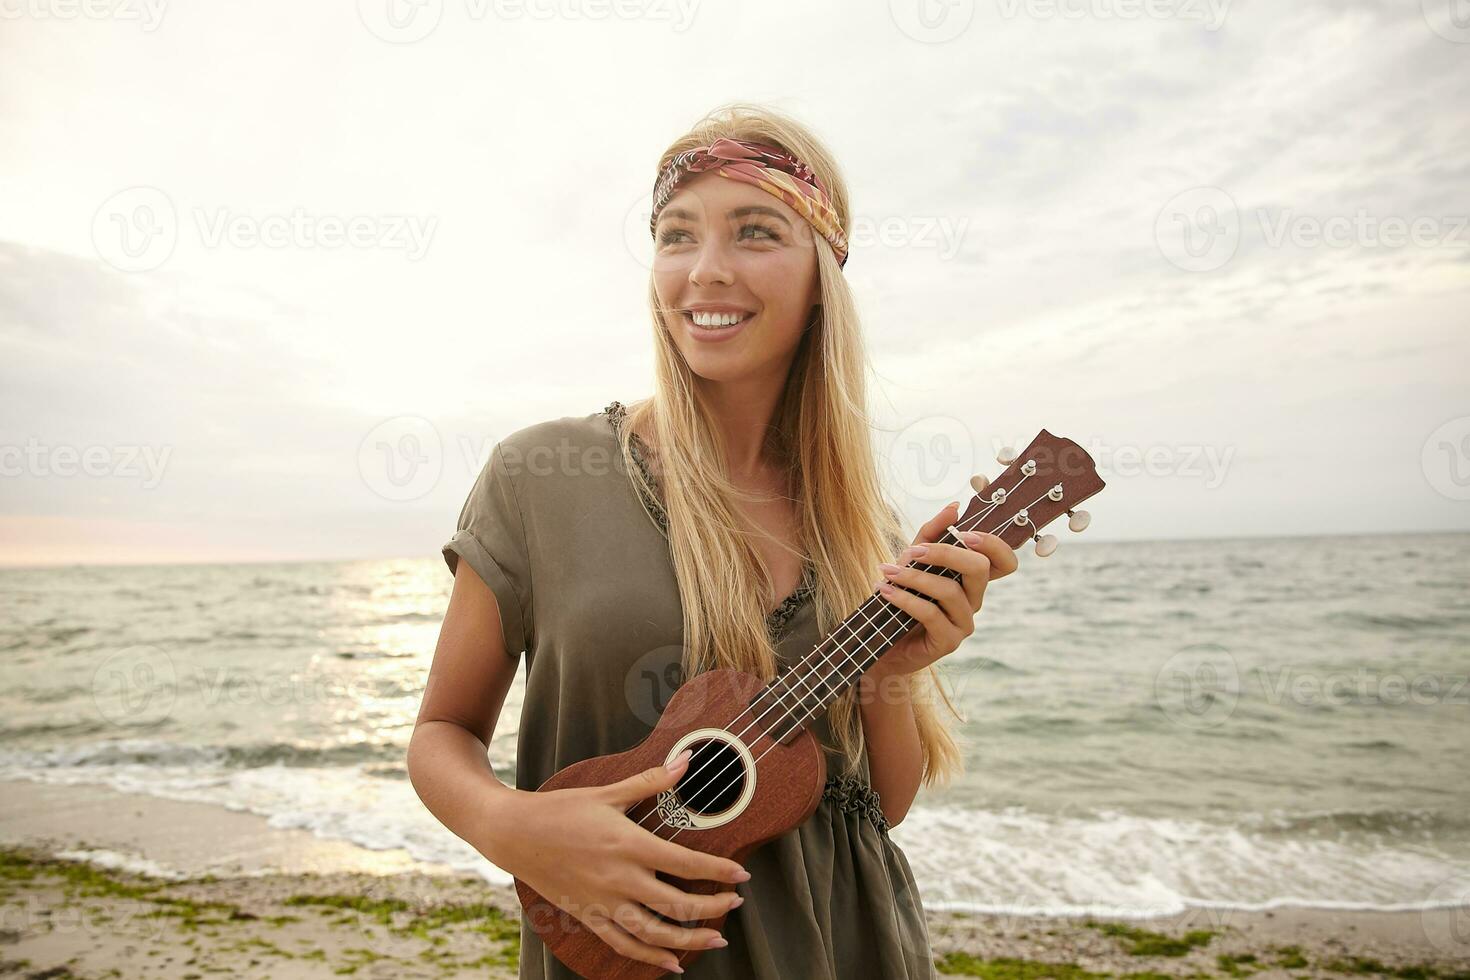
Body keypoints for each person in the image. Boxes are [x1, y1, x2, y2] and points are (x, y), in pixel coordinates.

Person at [407, 102, 1017, 980]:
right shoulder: (541, 474)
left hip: (848, 948)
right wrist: (510, 827)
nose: (706, 272)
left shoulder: (859, 523)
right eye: (676, 236)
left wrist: (894, 666)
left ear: (823, 274)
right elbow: (442, 730)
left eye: (755, 232)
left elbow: (876, 808)